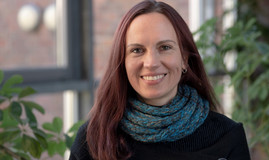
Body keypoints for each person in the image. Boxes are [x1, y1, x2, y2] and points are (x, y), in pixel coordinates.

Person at [69, 0, 251, 160]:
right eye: (137, 50)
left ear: (185, 59)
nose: (151, 63)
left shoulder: (227, 136)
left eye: (164, 47)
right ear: (122, 62)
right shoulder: (93, 141)